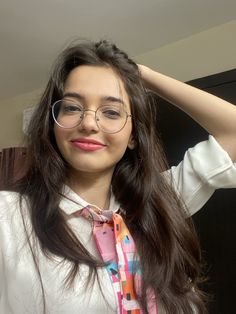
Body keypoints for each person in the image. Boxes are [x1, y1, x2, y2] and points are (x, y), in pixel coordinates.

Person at [0, 40, 235, 314]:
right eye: (72, 108)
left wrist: (143, 76)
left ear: (134, 136)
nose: (88, 123)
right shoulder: (9, 217)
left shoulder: (158, 204)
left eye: (111, 112)